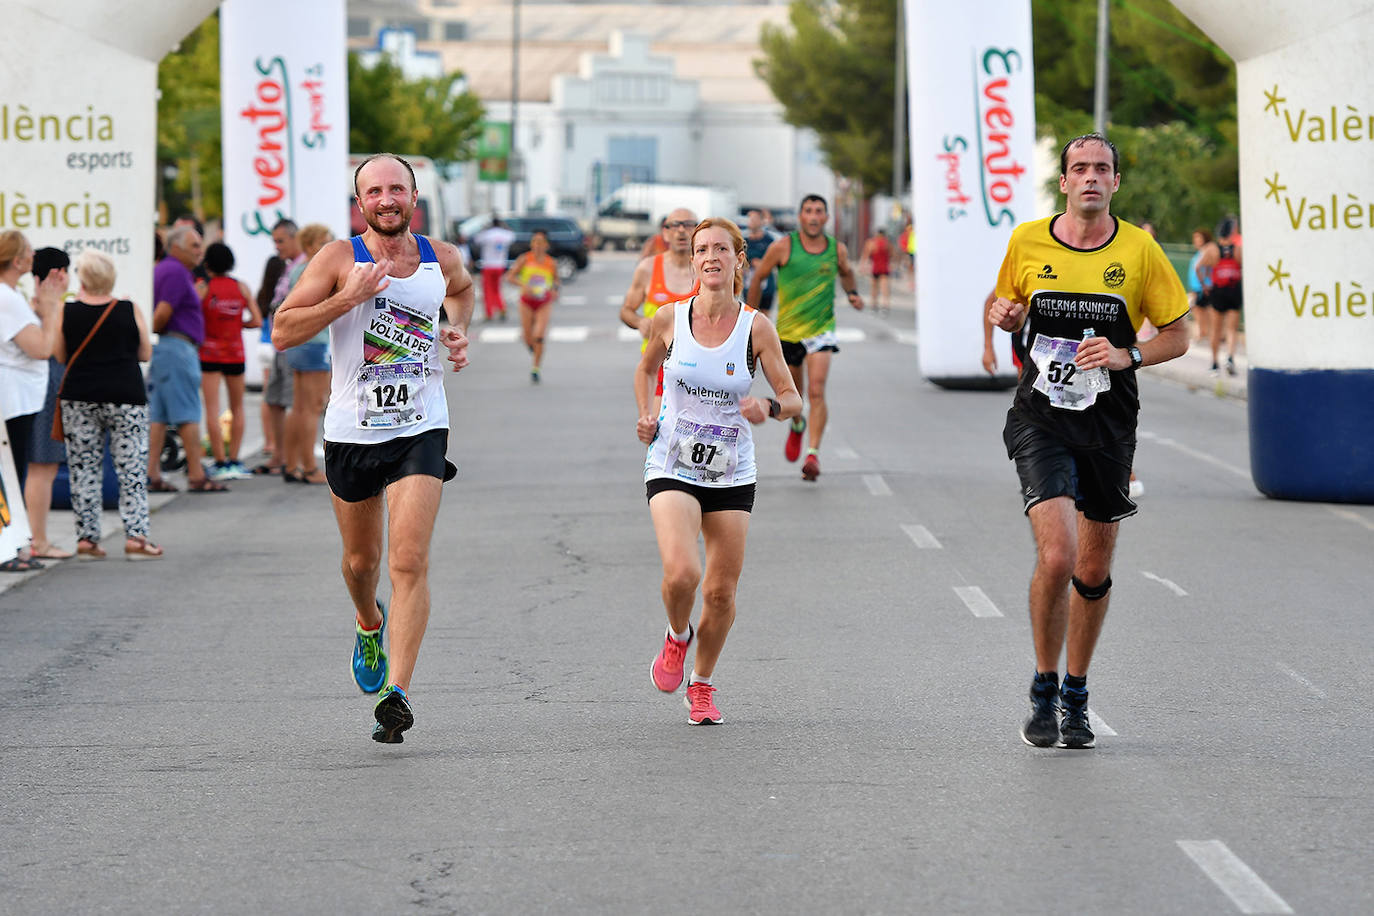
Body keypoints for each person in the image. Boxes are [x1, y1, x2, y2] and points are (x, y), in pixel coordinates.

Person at [987, 133, 1189, 750]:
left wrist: (1127, 354)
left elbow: (1179, 335)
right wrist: (1007, 317)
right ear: (1065, 182)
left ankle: (1077, 689)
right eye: (1080, 168)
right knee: (1058, 556)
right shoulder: (1027, 239)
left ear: (1116, 183)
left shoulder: (1140, 251)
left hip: (1108, 426)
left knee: (1094, 568)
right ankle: (1044, 688)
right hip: (1041, 418)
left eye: (1103, 169)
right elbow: (1007, 303)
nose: (1092, 178)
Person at [272, 153, 474, 744]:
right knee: (362, 564)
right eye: (374, 192)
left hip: (421, 425)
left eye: (397, 189)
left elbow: (460, 294)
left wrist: (455, 329)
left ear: (413, 197)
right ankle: (368, 621)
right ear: (359, 203)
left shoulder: (442, 258)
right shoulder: (339, 258)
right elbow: (282, 330)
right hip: (353, 433)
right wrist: (346, 297)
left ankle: (398, 693)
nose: (387, 200)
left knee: (408, 561)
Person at [635, 217, 801, 725]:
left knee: (721, 591)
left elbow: (792, 398)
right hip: (673, 460)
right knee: (683, 572)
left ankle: (701, 684)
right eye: (702, 249)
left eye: (720, 250)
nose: (709, 257)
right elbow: (644, 370)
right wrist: (645, 414)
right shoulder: (669, 319)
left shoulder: (757, 327)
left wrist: (768, 410)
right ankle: (676, 635)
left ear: (737, 259)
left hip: (731, 470)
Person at [746, 194, 863, 482]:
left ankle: (813, 454)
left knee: (817, 391)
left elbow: (847, 273)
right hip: (787, 333)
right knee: (795, 398)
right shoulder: (784, 247)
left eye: (819, 212)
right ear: (800, 217)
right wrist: (749, 314)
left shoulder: (837, 250)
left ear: (826, 218)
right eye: (808, 211)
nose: (813, 216)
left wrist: (852, 293)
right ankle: (797, 425)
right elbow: (759, 275)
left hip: (821, 331)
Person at [56, 250, 160, 560]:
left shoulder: (67, 312)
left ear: (82, 278)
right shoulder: (128, 308)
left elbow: (60, 356)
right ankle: (136, 538)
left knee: (83, 468)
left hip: (79, 397)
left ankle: (87, 540)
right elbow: (145, 353)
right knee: (131, 469)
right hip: (125, 395)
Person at [146, 224, 226, 493]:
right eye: (194, 245)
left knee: (159, 414)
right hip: (177, 347)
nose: (199, 250)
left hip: (167, 348)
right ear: (176, 247)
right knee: (187, 411)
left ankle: (151, 473)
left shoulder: (167, 270)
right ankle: (195, 473)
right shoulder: (176, 273)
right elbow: (160, 314)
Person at [0, 231, 63, 572]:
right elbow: (41, 348)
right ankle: (9, 548)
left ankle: (14, 546)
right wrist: (51, 310)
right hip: (15, 398)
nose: (33, 256)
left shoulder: (10, 295)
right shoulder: (7, 298)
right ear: (18, 260)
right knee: (12, 474)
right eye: (28, 252)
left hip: (17, 396)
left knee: (13, 474)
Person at [619, 208, 700, 408]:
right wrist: (639, 322)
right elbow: (626, 310)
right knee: (655, 431)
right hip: (657, 365)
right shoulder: (648, 268)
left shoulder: (707, 269)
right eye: (675, 226)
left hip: (698, 366)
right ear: (665, 232)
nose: (681, 231)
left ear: (697, 231)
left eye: (688, 225)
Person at [25, 248, 74, 561]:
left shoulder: (29, 305)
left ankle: (34, 538)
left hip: (39, 389)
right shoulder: (46, 307)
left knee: (38, 467)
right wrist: (55, 308)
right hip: (44, 390)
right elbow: (56, 351)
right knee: (42, 467)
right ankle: (38, 540)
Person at [198, 242, 261, 481]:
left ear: (207, 264)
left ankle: (220, 462)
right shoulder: (240, 287)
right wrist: (237, 325)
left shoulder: (204, 288)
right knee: (237, 407)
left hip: (210, 353)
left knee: (212, 409)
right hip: (235, 352)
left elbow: (195, 318)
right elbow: (256, 320)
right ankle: (235, 460)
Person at [281, 223, 335, 483]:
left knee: (299, 407)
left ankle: (292, 464)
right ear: (312, 245)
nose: (330, 244)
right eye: (326, 240)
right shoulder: (316, 269)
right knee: (312, 407)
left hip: (299, 342)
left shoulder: (298, 269)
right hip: (315, 341)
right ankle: (309, 467)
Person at [504, 228, 559, 383]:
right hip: (526, 302)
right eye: (534, 241)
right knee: (528, 337)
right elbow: (510, 277)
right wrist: (523, 285)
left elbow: (556, 281)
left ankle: (535, 368)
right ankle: (534, 349)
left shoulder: (551, 262)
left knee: (539, 335)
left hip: (544, 302)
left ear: (547, 245)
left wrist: (555, 290)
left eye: (541, 242)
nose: (537, 245)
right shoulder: (524, 259)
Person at [253, 254, 287, 474]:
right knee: (276, 398)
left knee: (268, 397)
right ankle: (276, 442)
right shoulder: (282, 290)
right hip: (276, 344)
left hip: (262, 345)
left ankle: (268, 441)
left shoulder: (262, 293)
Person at [1200, 217, 1243, 376]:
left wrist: (1205, 285)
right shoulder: (1237, 249)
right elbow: (1243, 266)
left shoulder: (1212, 249)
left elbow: (1199, 267)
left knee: (1216, 330)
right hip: (1233, 290)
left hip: (1217, 290)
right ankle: (1230, 357)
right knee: (1232, 329)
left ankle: (1214, 363)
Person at [472, 215, 515, 322]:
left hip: (488, 265)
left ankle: (489, 312)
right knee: (497, 289)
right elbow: (512, 236)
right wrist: (505, 226)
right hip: (500, 265)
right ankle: (501, 308)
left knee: (487, 290)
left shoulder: (487, 234)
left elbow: (476, 239)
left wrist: (485, 228)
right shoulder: (505, 234)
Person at [742, 210, 777, 314]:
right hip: (749, 286)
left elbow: (776, 262)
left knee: (765, 318)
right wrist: (747, 265)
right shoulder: (744, 241)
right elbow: (738, 262)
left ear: (762, 221)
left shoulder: (769, 240)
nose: (751, 222)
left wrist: (763, 264)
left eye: (755, 219)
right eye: (750, 219)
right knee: (749, 316)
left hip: (766, 287)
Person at [1187, 228, 1215, 345]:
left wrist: (1205, 284)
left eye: (1199, 238)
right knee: (1198, 311)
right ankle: (1203, 334)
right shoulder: (1199, 253)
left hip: (1203, 287)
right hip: (1196, 287)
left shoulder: (1207, 252)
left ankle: (1205, 334)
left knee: (1203, 312)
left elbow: (1208, 269)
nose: (1196, 241)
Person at [859, 228, 893, 314]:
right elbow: (892, 255)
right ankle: (885, 305)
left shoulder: (871, 243)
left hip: (875, 268)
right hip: (884, 267)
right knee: (884, 288)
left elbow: (865, 255)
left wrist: (863, 266)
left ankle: (874, 305)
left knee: (874, 287)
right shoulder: (887, 243)